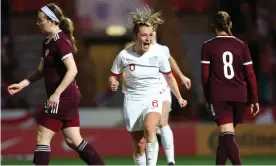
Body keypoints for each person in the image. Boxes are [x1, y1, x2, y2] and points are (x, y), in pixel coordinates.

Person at [7, 3, 104, 165]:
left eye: (41, 20)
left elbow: (72, 70)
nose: (38, 23)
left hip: (63, 97)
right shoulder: (47, 42)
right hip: (67, 97)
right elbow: (41, 70)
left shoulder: (61, 41)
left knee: (42, 136)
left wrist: (56, 94)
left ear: (52, 21)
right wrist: (23, 84)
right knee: (73, 140)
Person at [109, 7, 187, 166]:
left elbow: (169, 77)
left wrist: (179, 96)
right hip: (132, 100)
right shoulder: (124, 56)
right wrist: (113, 82)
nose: (148, 39)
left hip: (153, 97)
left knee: (150, 129)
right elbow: (113, 75)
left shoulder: (158, 54)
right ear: (135, 35)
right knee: (139, 146)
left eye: (150, 35)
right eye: (144, 35)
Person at [201, 11, 259, 165]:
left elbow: (205, 76)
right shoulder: (242, 45)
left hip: (220, 95)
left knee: (226, 135)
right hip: (240, 95)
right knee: (225, 136)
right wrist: (254, 99)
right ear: (230, 25)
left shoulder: (208, 46)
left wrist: (208, 97)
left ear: (213, 26)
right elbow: (251, 74)